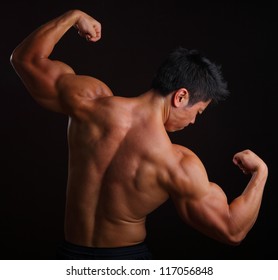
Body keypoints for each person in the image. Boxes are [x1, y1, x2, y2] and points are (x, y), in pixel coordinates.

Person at [10, 9, 268, 260]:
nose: (193, 121)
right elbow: (232, 230)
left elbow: (26, 59)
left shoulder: (89, 103)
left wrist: (73, 16)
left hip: (69, 257)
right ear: (181, 96)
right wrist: (261, 173)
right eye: (198, 112)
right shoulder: (176, 163)